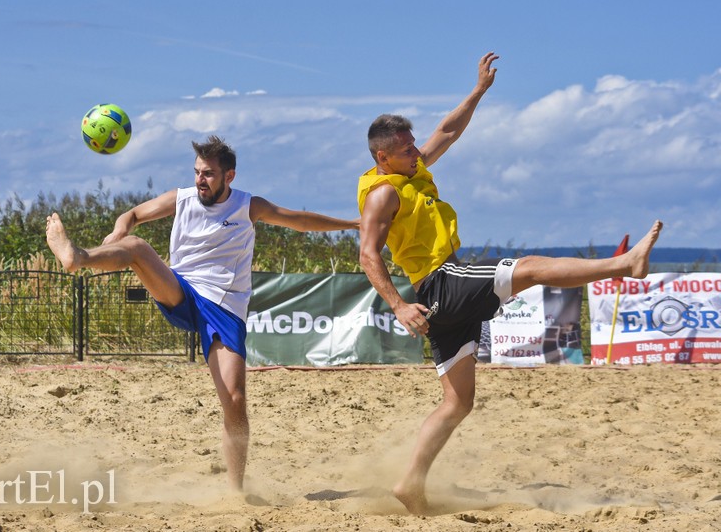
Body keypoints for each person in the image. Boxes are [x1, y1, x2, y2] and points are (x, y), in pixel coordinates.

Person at [356, 51, 663, 514]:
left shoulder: (411, 170)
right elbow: (367, 254)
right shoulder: (382, 193)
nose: (417, 151)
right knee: (532, 267)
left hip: (441, 293)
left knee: (458, 404)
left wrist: (478, 91)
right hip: (441, 282)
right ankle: (624, 266)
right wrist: (398, 305)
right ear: (383, 157)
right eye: (406, 149)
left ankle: (409, 482)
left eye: (413, 144)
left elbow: (447, 131)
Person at [46, 135, 358, 493]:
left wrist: (353, 225)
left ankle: (235, 491)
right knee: (135, 247)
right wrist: (118, 230)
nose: (200, 180)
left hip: (225, 307)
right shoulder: (182, 199)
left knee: (235, 400)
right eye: (196, 172)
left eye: (208, 174)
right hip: (182, 289)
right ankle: (76, 257)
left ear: (230, 176)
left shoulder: (247, 205)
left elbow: (299, 220)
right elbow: (131, 215)